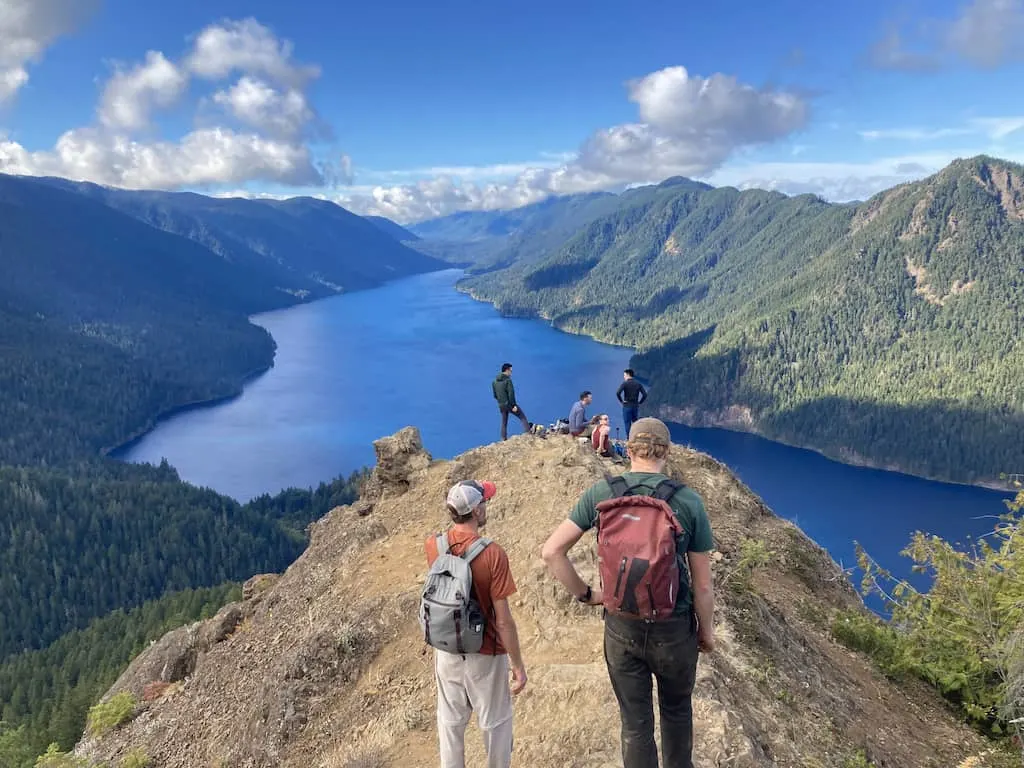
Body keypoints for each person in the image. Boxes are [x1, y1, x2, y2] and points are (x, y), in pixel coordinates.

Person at [540, 418, 716, 768]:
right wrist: (706, 633)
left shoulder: (601, 494)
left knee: (635, 724)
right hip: (674, 628)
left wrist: (588, 595)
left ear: (630, 450)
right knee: (677, 712)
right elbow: (703, 584)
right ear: (665, 452)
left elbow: (551, 552)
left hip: (621, 626)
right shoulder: (688, 502)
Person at [425, 480, 528, 768]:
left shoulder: (434, 545)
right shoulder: (493, 554)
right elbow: (504, 620)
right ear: (476, 511)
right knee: (495, 724)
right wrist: (518, 666)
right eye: (484, 502)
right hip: (486, 653)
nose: (486, 505)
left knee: (450, 724)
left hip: (446, 649)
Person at [492, 363, 531, 441]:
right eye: (511, 371)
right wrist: (513, 405)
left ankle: (503, 438)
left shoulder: (494, 382)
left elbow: (495, 395)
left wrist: (501, 402)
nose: (511, 373)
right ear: (507, 370)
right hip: (509, 404)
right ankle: (528, 434)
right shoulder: (508, 381)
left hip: (501, 405)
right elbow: (511, 394)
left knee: (504, 422)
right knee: (522, 417)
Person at [616, 369, 648, 438]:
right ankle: (637, 437)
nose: (624, 377)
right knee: (635, 422)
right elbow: (645, 395)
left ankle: (629, 438)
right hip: (635, 406)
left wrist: (621, 401)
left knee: (627, 423)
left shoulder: (625, 383)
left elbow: (618, 393)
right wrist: (640, 402)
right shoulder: (638, 384)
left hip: (627, 406)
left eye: (624, 375)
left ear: (628, 375)